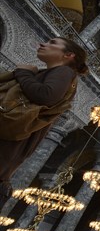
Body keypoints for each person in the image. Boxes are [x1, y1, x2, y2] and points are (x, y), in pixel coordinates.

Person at [0, 37, 87, 204]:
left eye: (52, 43)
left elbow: (45, 95)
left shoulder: (65, 72)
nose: (43, 44)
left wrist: (23, 72)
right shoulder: (47, 74)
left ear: (68, 55)